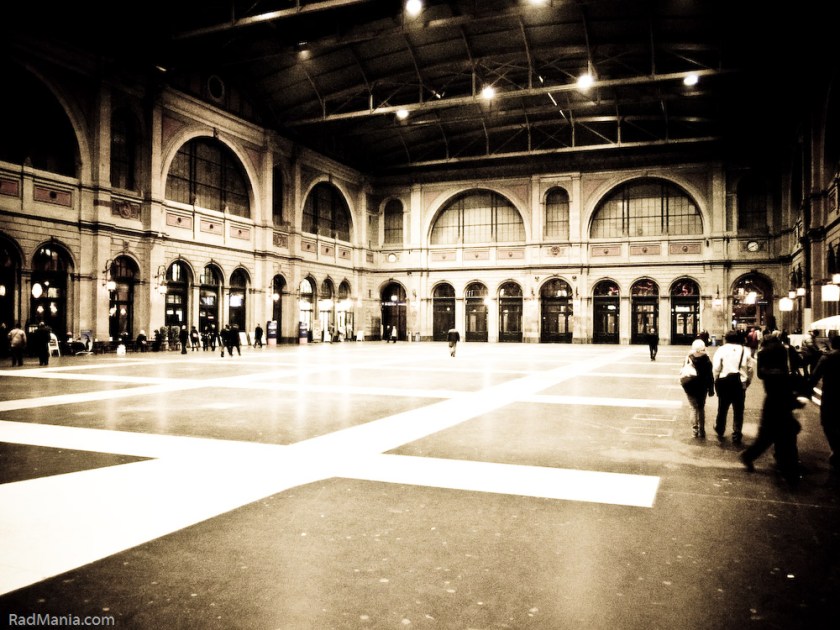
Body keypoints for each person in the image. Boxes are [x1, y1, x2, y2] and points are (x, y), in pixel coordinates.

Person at [739, 333, 802, 484]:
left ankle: (755, 457)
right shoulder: (786, 350)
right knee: (783, 431)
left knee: (770, 433)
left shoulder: (763, 353)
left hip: (772, 396)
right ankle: (787, 464)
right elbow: (799, 364)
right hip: (785, 394)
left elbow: (761, 374)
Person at [711, 330, 755, 445]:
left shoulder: (721, 350)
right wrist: (748, 381)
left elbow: (716, 367)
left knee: (722, 407)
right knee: (739, 409)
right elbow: (750, 369)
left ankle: (720, 428)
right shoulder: (745, 350)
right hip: (740, 383)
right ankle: (737, 433)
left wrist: (716, 379)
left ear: (726, 338)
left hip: (724, 382)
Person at [810, 335, 840, 473]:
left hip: (831, 395)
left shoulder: (827, 358)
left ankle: (836, 448)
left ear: (832, 344)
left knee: (827, 422)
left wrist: (805, 391)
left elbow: (814, 377)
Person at [681, 339, 715, 438]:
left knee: (693, 407)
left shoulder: (688, 357)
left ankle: (694, 431)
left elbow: (684, 370)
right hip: (702, 387)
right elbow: (710, 376)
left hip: (690, 385)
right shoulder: (707, 360)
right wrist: (711, 389)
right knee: (701, 408)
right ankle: (702, 430)